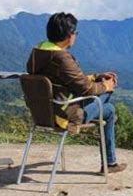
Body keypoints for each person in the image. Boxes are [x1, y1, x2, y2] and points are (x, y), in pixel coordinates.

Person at [26, 12, 126, 174]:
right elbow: (87, 89)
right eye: (75, 33)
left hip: (42, 113)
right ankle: (110, 163)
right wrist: (106, 86)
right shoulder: (61, 58)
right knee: (109, 110)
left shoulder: (38, 53)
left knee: (105, 103)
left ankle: (111, 161)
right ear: (69, 35)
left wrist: (96, 77)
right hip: (65, 116)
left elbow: (67, 81)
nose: (75, 37)